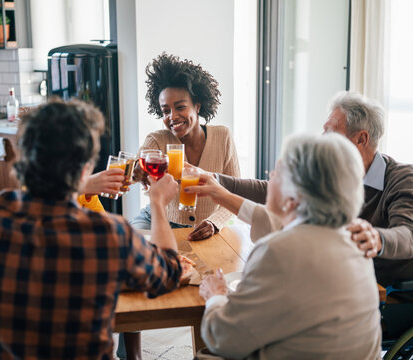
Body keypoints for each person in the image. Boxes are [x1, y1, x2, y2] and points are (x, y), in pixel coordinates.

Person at [0, 98, 183, 359]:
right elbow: (170, 273)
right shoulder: (106, 235)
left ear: (22, 158)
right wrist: (157, 201)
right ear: (86, 168)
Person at [186, 133, 381, 359]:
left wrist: (215, 296)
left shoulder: (277, 251)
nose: (270, 178)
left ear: (293, 196)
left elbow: (223, 339)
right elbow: (279, 222)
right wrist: (222, 195)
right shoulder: (355, 242)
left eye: (276, 173)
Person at [215, 91, 413, 286]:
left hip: (385, 292)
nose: (322, 139)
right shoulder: (336, 173)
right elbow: (282, 189)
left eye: (330, 132)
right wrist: (217, 180)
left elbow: (408, 234)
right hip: (337, 276)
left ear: (361, 139)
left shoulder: (402, 178)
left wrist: (377, 239)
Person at [131, 53, 240, 241]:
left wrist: (214, 223)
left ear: (197, 106)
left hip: (205, 228)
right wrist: (136, 171)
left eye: (180, 107)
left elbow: (234, 193)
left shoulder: (223, 137)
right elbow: (132, 171)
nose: (172, 116)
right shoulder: (157, 140)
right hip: (157, 221)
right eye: (166, 111)